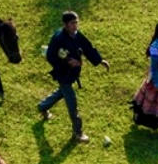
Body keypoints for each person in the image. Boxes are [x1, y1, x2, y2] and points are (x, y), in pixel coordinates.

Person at [39, 11, 109, 144]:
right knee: (72, 103)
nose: (75, 25)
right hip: (63, 74)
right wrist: (68, 61)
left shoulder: (77, 35)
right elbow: (51, 56)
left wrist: (100, 61)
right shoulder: (58, 38)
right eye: (72, 23)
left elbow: (88, 48)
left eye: (76, 22)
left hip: (72, 74)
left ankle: (43, 106)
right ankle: (78, 133)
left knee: (62, 93)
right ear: (65, 24)